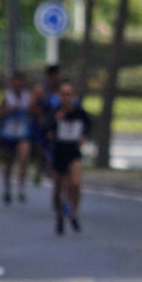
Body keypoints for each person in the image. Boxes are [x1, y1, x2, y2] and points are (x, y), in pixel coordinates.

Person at [49, 81, 91, 235]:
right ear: (59, 96)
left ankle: (74, 214)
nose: (66, 97)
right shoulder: (55, 112)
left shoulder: (80, 112)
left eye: (69, 94)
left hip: (74, 152)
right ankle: (59, 216)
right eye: (63, 94)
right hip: (58, 153)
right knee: (58, 187)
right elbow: (47, 130)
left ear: (73, 95)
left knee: (75, 183)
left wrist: (83, 138)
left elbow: (87, 128)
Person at [0, 71, 33, 204]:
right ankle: (7, 188)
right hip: (9, 133)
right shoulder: (7, 96)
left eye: (20, 81)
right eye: (16, 81)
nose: (18, 84)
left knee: (23, 159)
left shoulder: (27, 96)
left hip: (23, 132)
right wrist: (9, 110)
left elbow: (32, 110)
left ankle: (21, 189)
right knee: (9, 161)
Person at [29, 64, 61, 184]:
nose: (55, 79)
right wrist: (41, 114)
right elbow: (30, 107)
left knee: (55, 148)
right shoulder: (40, 90)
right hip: (41, 125)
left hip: (55, 124)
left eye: (57, 76)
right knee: (42, 149)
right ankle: (40, 168)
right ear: (48, 77)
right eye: (53, 76)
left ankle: (52, 169)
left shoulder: (60, 89)